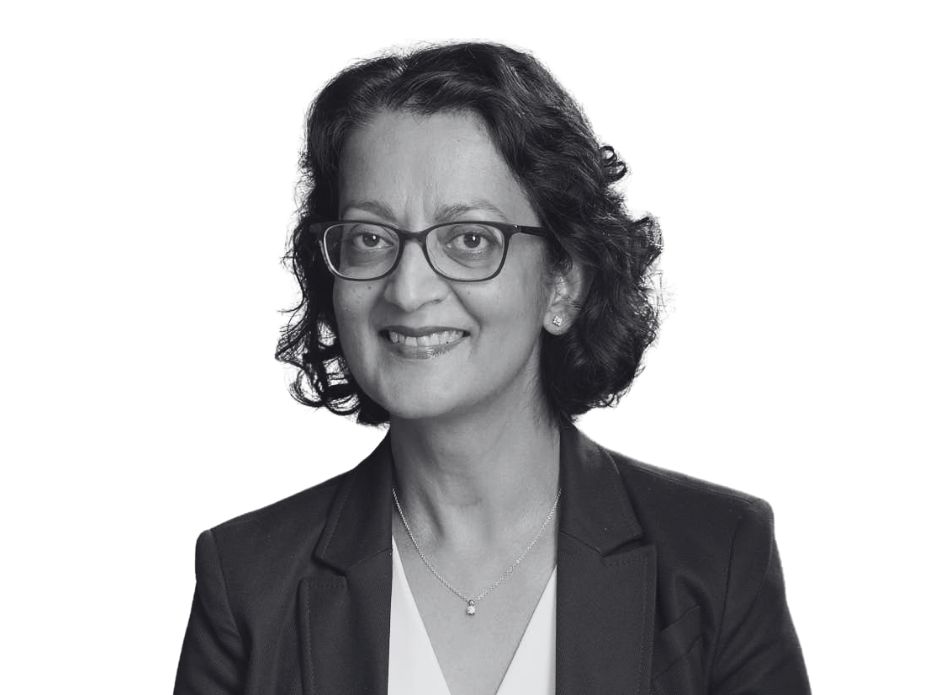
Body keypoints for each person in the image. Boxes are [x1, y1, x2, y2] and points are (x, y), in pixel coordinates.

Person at [173, 41, 811, 695]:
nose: (408, 289)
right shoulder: (247, 583)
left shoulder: (717, 557)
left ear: (562, 284)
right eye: (370, 238)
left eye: (470, 240)